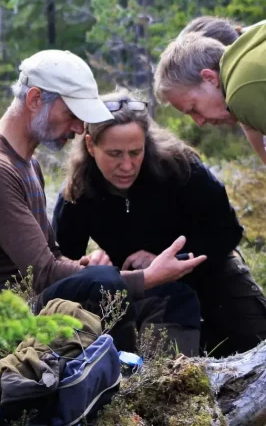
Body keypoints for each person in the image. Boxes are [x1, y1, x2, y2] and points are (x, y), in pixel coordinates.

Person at [0, 50, 205, 354]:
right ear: (35, 99)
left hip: (35, 307)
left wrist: (84, 265)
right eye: (71, 114)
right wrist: (144, 277)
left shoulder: (27, 164)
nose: (77, 128)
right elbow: (44, 274)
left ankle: (161, 382)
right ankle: (133, 383)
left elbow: (51, 256)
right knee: (109, 283)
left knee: (173, 296)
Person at [53, 90, 266, 356]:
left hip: (209, 268)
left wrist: (170, 258)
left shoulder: (182, 168)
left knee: (257, 348)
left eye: (135, 152)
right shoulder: (78, 192)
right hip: (142, 288)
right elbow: (62, 266)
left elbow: (227, 233)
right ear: (90, 145)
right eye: (115, 154)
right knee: (153, 368)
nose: (127, 165)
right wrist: (91, 266)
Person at [153, 18, 266, 164]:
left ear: (209, 78)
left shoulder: (240, 91)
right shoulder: (254, 41)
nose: (200, 122)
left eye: (194, 109)